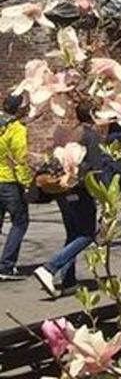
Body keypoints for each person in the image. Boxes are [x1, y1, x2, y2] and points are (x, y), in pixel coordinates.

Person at [33, 105, 104, 298]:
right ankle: (49, 268)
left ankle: (69, 281)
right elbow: (95, 169)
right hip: (79, 190)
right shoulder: (91, 136)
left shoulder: (71, 133)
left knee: (73, 233)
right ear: (93, 115)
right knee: (87, 234)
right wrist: (103, 194)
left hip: (61, 190)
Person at [0, 94, 31, 280]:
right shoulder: (16, 128)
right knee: (20, 221)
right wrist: (26, 182)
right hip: (9, 181)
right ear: (18, 109)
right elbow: (20, 158)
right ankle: (6, 265)